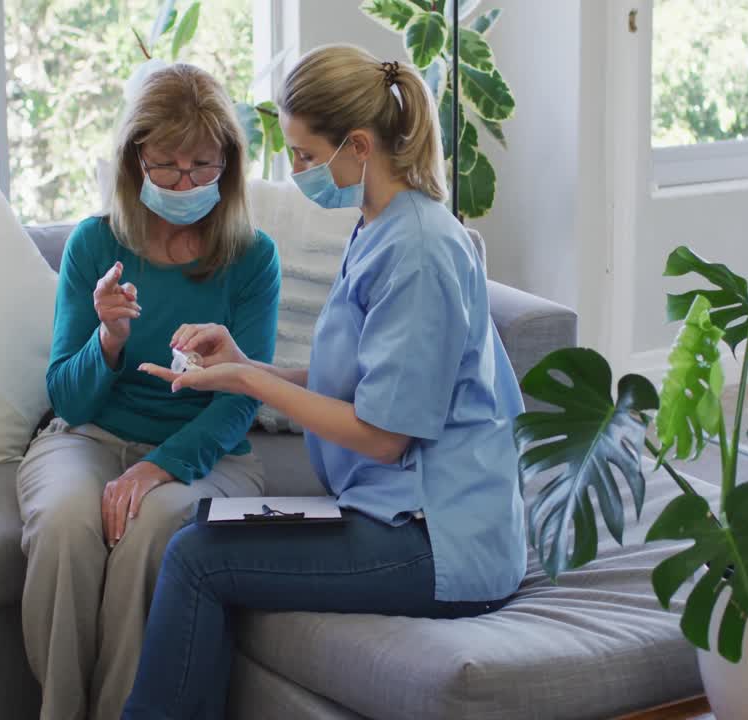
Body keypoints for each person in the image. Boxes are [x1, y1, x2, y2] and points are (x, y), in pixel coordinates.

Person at [123, 45, 526, 719]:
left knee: (198, 558)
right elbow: (366, 380)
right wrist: (245, 364)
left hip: (439, 540)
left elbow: (384, 435)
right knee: (204, 528)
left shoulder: (419, 251)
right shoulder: (379, 227)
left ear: (359, 146)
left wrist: (251, 387)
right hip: (398, 514)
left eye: (306, 156)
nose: (298, 172)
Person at [16, 62, 280, 720]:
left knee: (153, 528)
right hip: (89, 435)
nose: (186, 182)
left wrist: (159, 467)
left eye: (202, 165)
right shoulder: (94, 243)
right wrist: (107, 338)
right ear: (135, 163)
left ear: (230, 164)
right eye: (167, 165)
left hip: (206, 455)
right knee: (69, 524)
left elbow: (242, 396)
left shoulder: (253, 257)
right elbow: (68, 400)